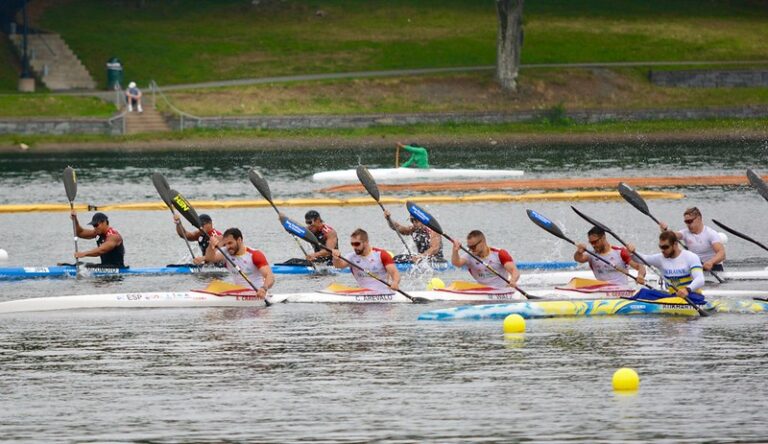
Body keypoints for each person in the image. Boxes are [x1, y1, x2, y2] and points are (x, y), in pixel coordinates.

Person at [627, 231, 705, 298]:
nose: (663, 250)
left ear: (675, 244)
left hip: (692, 296)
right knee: (643, 292)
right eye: (661, 247)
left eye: (665, 247)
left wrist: (687, 289)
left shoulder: (691, 257)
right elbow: (643, 259)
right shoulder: (660, 258)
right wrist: (632, 252)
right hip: (673, 296)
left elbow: (700, 279)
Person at [204, 228, 274, 299]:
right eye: (226, 244)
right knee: (214, 284)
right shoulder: (226, 252)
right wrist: (211, 246)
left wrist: (264, 289)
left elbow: (270, 277)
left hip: (257, 295)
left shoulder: (254, 255)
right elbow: (210, 259)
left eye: (230, 243)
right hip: (238, 294)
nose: (228, 247)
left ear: (239, 240)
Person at [331, 228, 400, 294]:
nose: (354, 247)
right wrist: (336, 258)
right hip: (363, 294)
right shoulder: (351, 257)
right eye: (352, 244)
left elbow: (395, 273)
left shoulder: (381, 255)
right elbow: (338, 265)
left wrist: (395, 282)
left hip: (384, 295)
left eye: (357, 244)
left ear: (366, 242)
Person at [659, 207, 725, 272]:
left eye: (690, 221)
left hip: (714, 268)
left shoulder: (710, 233)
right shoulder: (685, 233)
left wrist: (710, 262)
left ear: (699, 219)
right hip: (696, 267)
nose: (688, 224)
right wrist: (665, 231)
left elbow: (722, 254)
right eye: (686, 222)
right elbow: (673, 235)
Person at [574, 226, 646, 286]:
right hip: (602, 293)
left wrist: (640, 276)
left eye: (595, 242)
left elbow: (640, 266)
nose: (593, 245)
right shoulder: (592, 255)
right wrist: (579, 252)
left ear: (603, 238)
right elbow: (578, 258)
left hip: (621, 292)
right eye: (591, 243)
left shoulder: (620, 252)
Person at [451, 230, 519, 289]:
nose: (471, 249)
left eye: (473, 247)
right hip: (483, 290)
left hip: (501, 290)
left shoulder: (499, 254)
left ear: (483, 242)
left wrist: (513, 281)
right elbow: (456, 263)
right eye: (469, 247)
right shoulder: (469, 256)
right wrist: (455, 250)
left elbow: (514, 271)